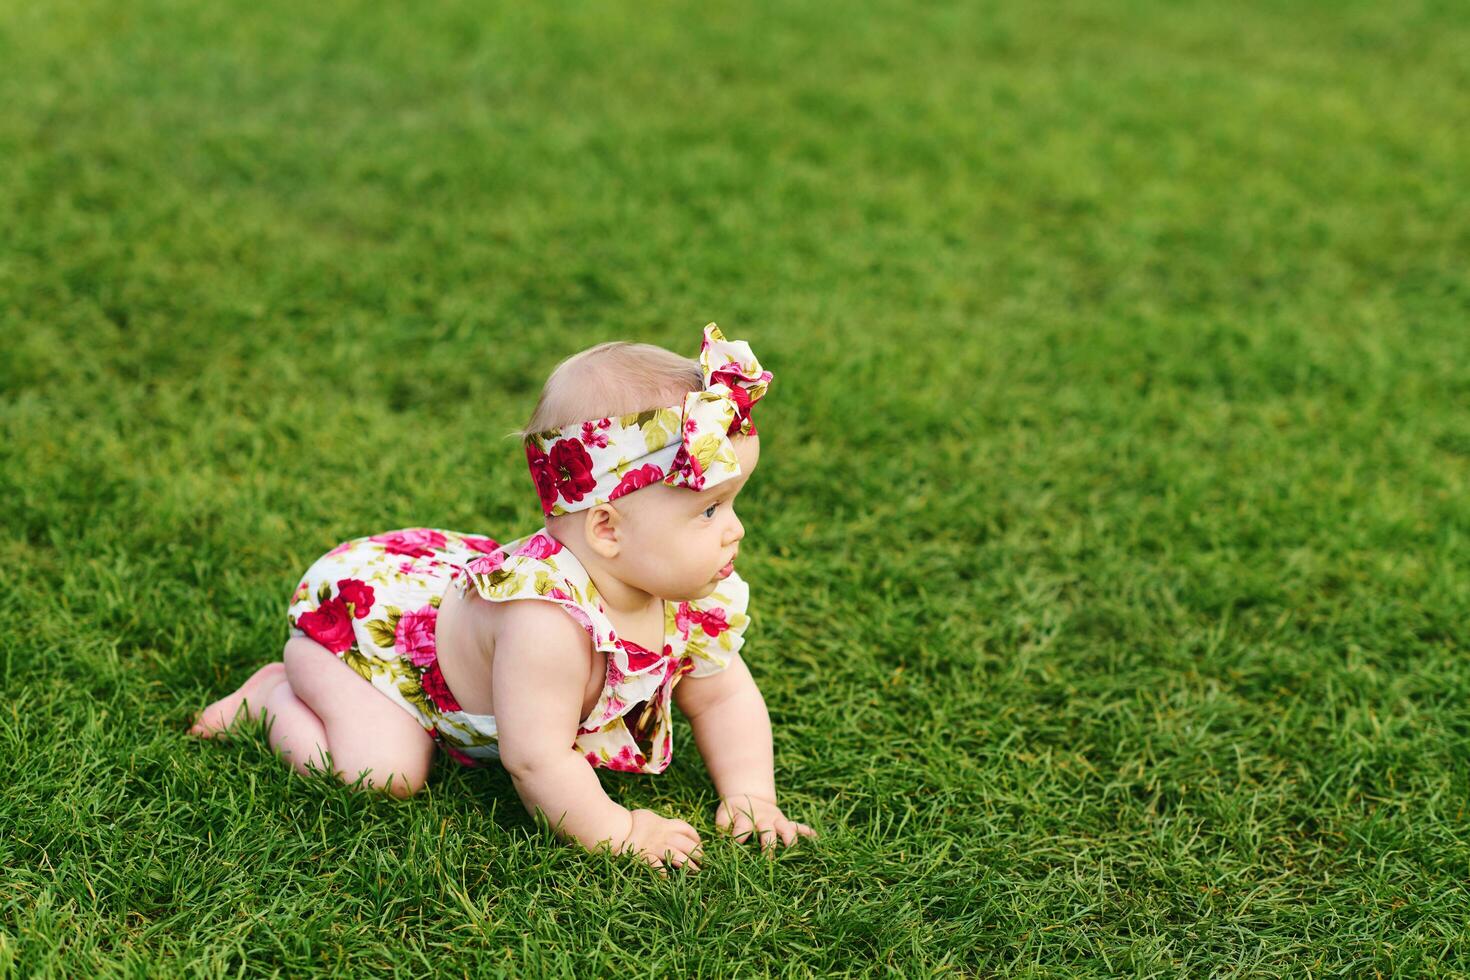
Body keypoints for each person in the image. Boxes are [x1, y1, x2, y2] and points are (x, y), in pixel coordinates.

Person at [189, 324, 814, 873]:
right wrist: (619, 831)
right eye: (709, 510)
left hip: (450, 599)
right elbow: (537, 759)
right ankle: (274, 695)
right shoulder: (546, 622)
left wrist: (751, 795)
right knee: (382, 773)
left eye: (732, 504)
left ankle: (286, 691)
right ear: (606, 530)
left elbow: (724, 693)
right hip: (374, 641)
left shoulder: (688, 595)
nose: (735, 529)